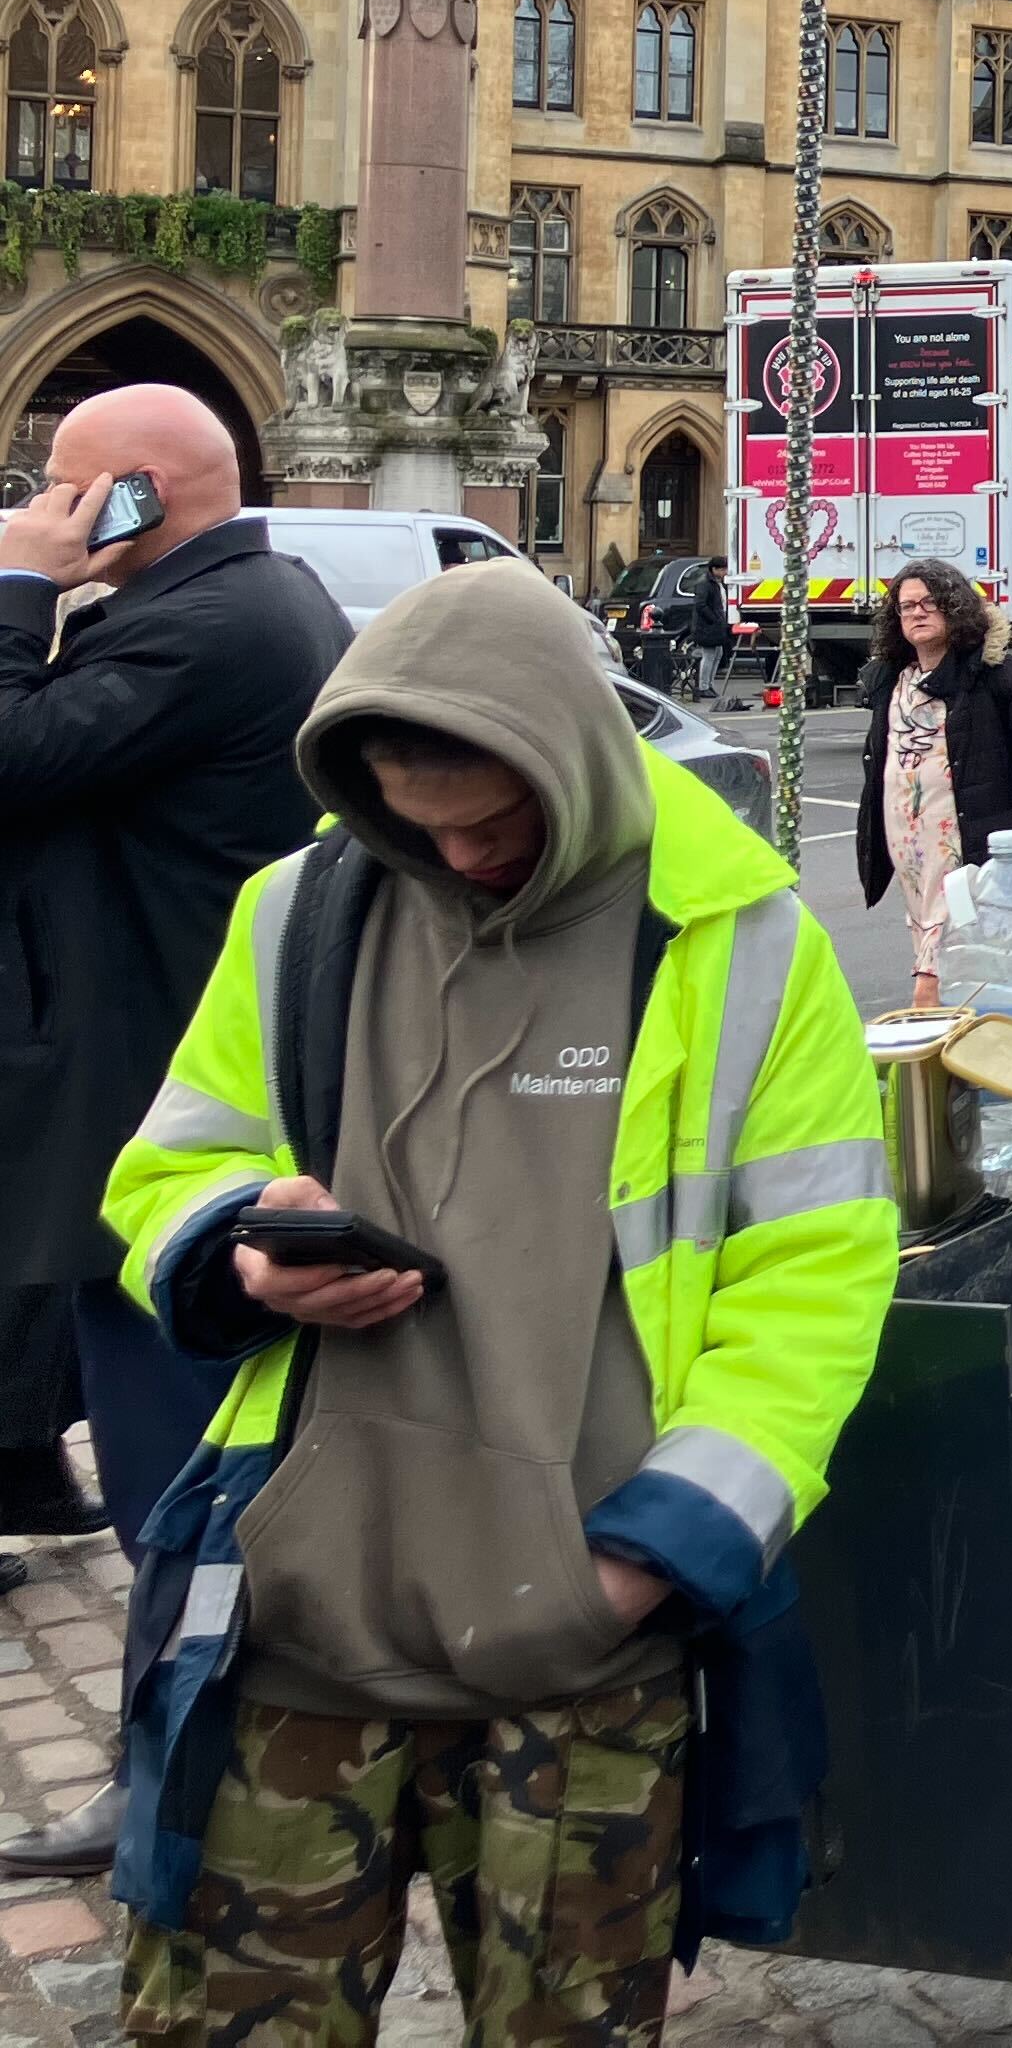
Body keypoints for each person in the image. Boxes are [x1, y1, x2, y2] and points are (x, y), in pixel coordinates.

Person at [97, 560, 898, 2041]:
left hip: (588, 1652)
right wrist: (243, 1254)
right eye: (419, 824)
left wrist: (653, 1560)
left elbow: (817, 1279)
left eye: (495, 821)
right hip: (298, 1627)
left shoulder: (744, 945)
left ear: (579, 768)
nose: (458, 857)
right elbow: (169, 1171)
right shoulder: (295, 914)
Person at [0, 387, 350, 1882]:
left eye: (67, 486)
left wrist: (20, 585)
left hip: (157, 1119)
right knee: (171, 1471)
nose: (45, 503)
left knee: (174, 1493)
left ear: (135, 496)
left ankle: (174, 1793)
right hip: (161, 1093)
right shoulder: (248, 599)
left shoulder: (210, 627)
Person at [851, 557, 1012, 1007]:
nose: (917, 613)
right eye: (906, 605)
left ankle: (942, 1058)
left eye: (929, 603)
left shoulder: (997, 675)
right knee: (972, 981)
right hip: (917, 863)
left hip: (977, 859)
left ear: (955, 608)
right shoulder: (892, 682)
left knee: (937, 985)